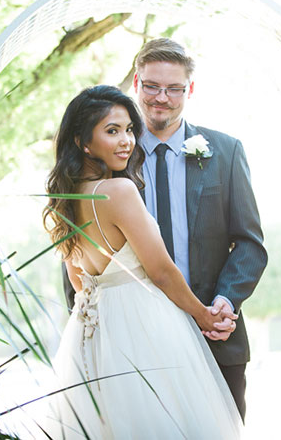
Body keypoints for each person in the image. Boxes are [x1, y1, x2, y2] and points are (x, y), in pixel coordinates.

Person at [41, 85, 243, 438]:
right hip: (144, 324)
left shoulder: (65, 200)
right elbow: (161, 271)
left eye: (129, 129)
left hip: (93, 334)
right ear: (83, 143)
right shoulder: (118, 191)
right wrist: (201, 313)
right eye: (112, 130)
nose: (126, 141)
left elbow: (78, 281)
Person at [129, 38, 268, 419]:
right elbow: (81, 246)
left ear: (189, 90)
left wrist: (226, 301)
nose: (162, 98)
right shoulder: (113, 155)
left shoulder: (225, 151)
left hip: (214, 333)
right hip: (133, 338)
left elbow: (249, 244)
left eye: (174, 88)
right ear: (136, 84)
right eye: (152, 86)